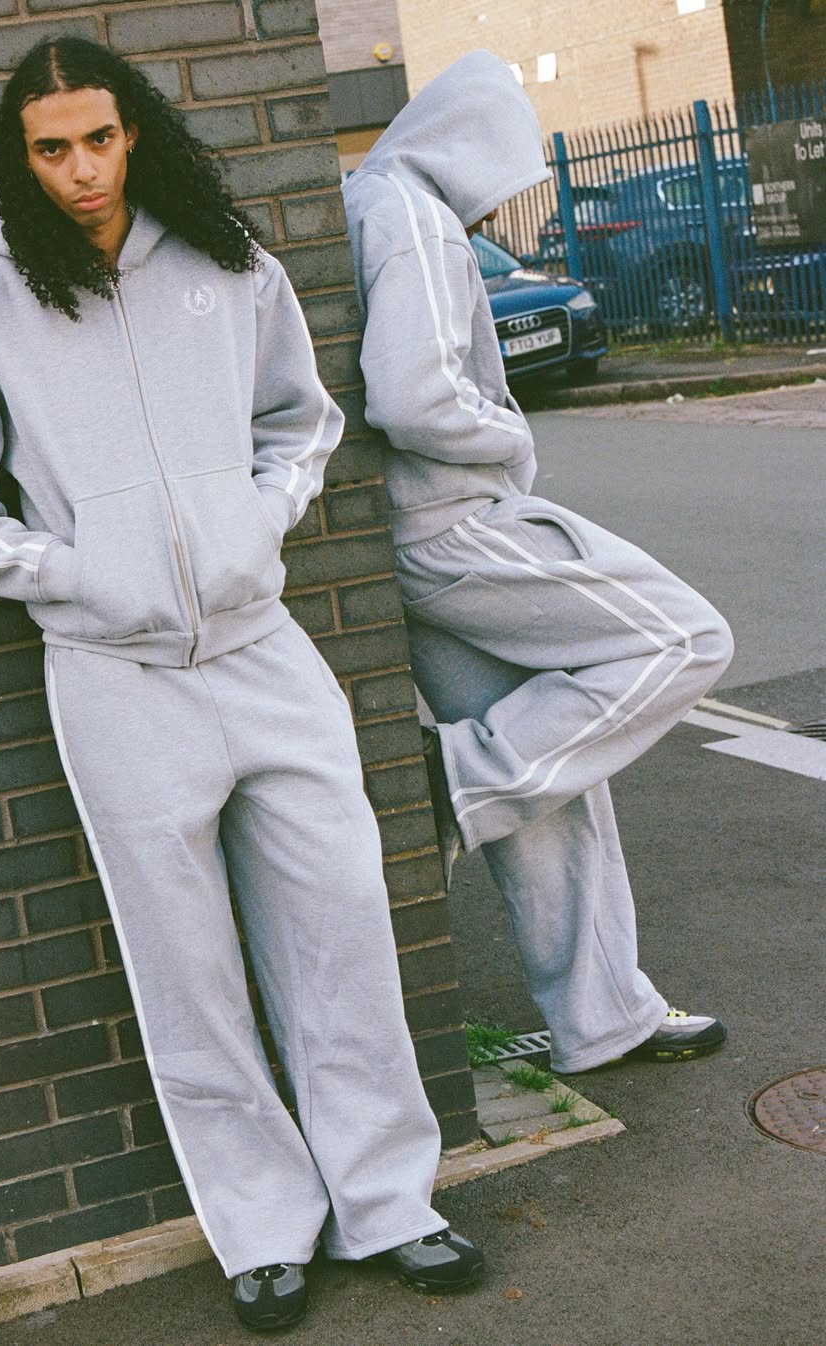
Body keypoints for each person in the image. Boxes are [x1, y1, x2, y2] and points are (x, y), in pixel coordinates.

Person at [0, 37, 483, 1334]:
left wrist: (259, 518)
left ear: (135, 134)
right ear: (24, 156)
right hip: (113, 675)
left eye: (98, 140)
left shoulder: (229, 263)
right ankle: (263, 1223)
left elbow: (305, 415)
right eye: (51, 148)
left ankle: (393, 1199)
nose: (80, 170)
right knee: (186, 967)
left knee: (343, 926)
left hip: (263, 648)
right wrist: (72, 575)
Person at [343, 51, 735, 1078]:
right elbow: (414, 398)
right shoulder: (419, 218)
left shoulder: (369, 200)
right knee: (687, 636)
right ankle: (457, 780)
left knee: (553, 776)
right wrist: (507, 442)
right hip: (459, 520)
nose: (498, 205)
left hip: (404, 533)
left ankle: (600, 1018)